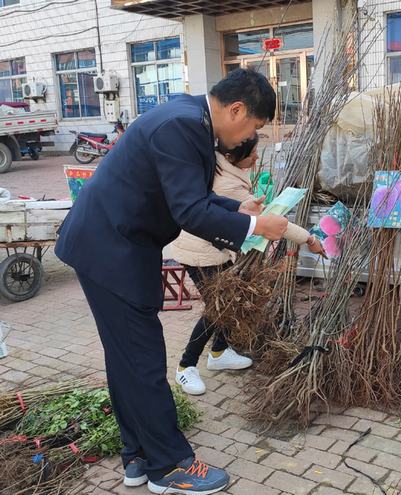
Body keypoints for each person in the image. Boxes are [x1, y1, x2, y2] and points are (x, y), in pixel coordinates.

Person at [55, 69, 289, 495]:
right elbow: (190, 211)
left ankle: (137, 457)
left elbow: (189, 196)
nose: (248, 138)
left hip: (113, 245)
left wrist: (237, 212)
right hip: (112, 250)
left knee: (126, 359)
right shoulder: (183, 126)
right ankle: (169, 466)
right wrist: (256, 225)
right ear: (237, 110)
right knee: (142, 358)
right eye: (254, 127)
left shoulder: (187, 116)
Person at [170, 136, 326, 395]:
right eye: (252, 153)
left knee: (228, 302)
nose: (256, 157)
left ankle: (219, 352)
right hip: (200, 252)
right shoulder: (228, 183)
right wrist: (308, 238)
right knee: (218, 308)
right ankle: (186, 366)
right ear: (231, 156)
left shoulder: (224, 168)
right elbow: (271, 221)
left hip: (213, 248)